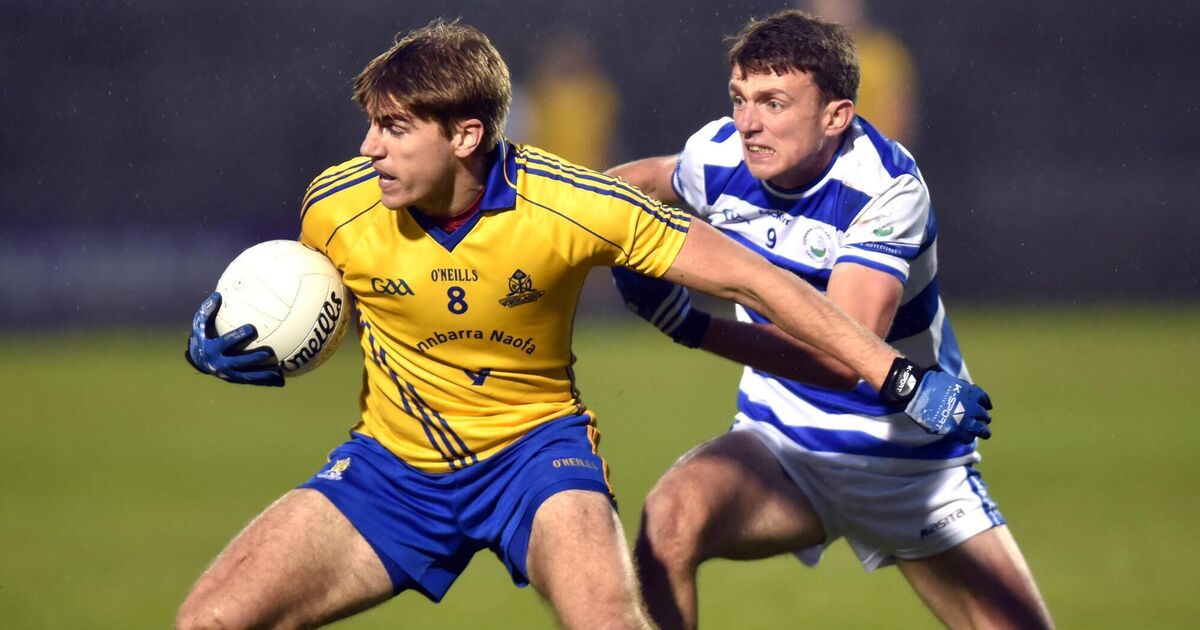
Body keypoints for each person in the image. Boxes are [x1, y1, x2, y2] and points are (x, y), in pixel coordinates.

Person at [178, 18, 992, 629]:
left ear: (465, 134)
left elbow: (755, 279)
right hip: (393, 469)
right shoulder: (336, 203)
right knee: (207, 621)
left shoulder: (570, 202)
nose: (368, 148)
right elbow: (327, 306)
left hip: (536, 461)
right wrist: (235, 342)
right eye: (371, 124)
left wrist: (901, 379)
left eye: (393, 128)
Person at [608, 10, 1051, 630]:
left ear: (835, 116)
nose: (748, 123)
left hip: (906, 462)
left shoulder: (885, 189)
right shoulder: (718, 154)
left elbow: (843, 360)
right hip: (782, 444)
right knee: (669, 520)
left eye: (774, 103)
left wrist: (692, 327)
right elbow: (623, 189)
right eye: (739, 98)